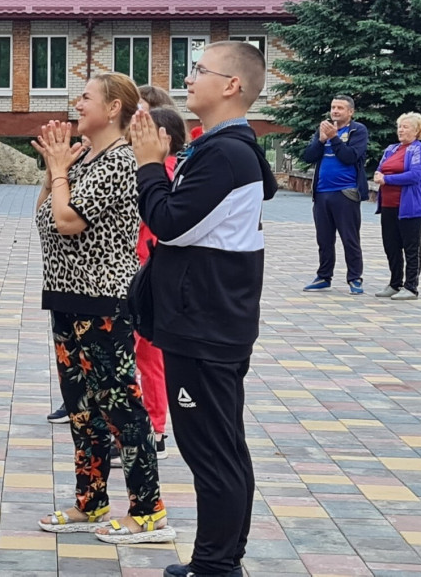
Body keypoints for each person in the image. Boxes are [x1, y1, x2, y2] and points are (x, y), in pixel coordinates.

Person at [131, 40, 277, 577]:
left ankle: (215, 565)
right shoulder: (224, 148)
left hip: (205, 323)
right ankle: (221, 558)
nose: (188, 79)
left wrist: (149, 166)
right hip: (211, 319)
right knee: (223, 447)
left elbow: (170, 223)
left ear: (232, 85)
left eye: (199, 70)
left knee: (212, 452)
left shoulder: (225, 154)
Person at [32, 72, 174, 546]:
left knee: (120, 406)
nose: (77, 103)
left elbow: (67, 220)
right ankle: (90, 500)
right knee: (81, 408)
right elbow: (45, 215)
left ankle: (148, 510)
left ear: (114, 109)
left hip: (103, 301)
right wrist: (56, 170)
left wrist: (59, 172)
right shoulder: (85, 156)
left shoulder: (119, 161)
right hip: (66, 297)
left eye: (87, 97)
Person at [118, 105, 187, 466]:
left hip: (149, 272)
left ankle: (152, 429)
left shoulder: (164, 173)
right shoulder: (162, 171)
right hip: (146, 269)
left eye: (141, 131)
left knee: (142, 354)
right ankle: (151, 428)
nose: (133, 139)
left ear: (163, 138)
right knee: (145, 355)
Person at [301, 95, 369, 294]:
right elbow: (308, 156)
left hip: (346, 192)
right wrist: (321, 140)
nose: (335, 111)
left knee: (350, 238)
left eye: (340, 108)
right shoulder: (324, 129)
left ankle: (355, 278)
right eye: (333, 107)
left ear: (350, 112)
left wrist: (334, 138)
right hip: (322, 192)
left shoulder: (358, 130)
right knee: (324, 239)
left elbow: (350, 157)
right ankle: (324, 276)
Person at [373, 112, 421, 300]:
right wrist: (378, 175)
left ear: (417, 131)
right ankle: (395, 283)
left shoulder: (420, 150)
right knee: (391, 246)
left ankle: (411, 287)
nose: (401, 130)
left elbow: (415, 175)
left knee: (411, 248)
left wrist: (387, 179)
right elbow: (380, 169)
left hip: (410, 207)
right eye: (399, 126)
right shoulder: (391, 149)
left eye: (405, 127)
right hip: (388, 206)